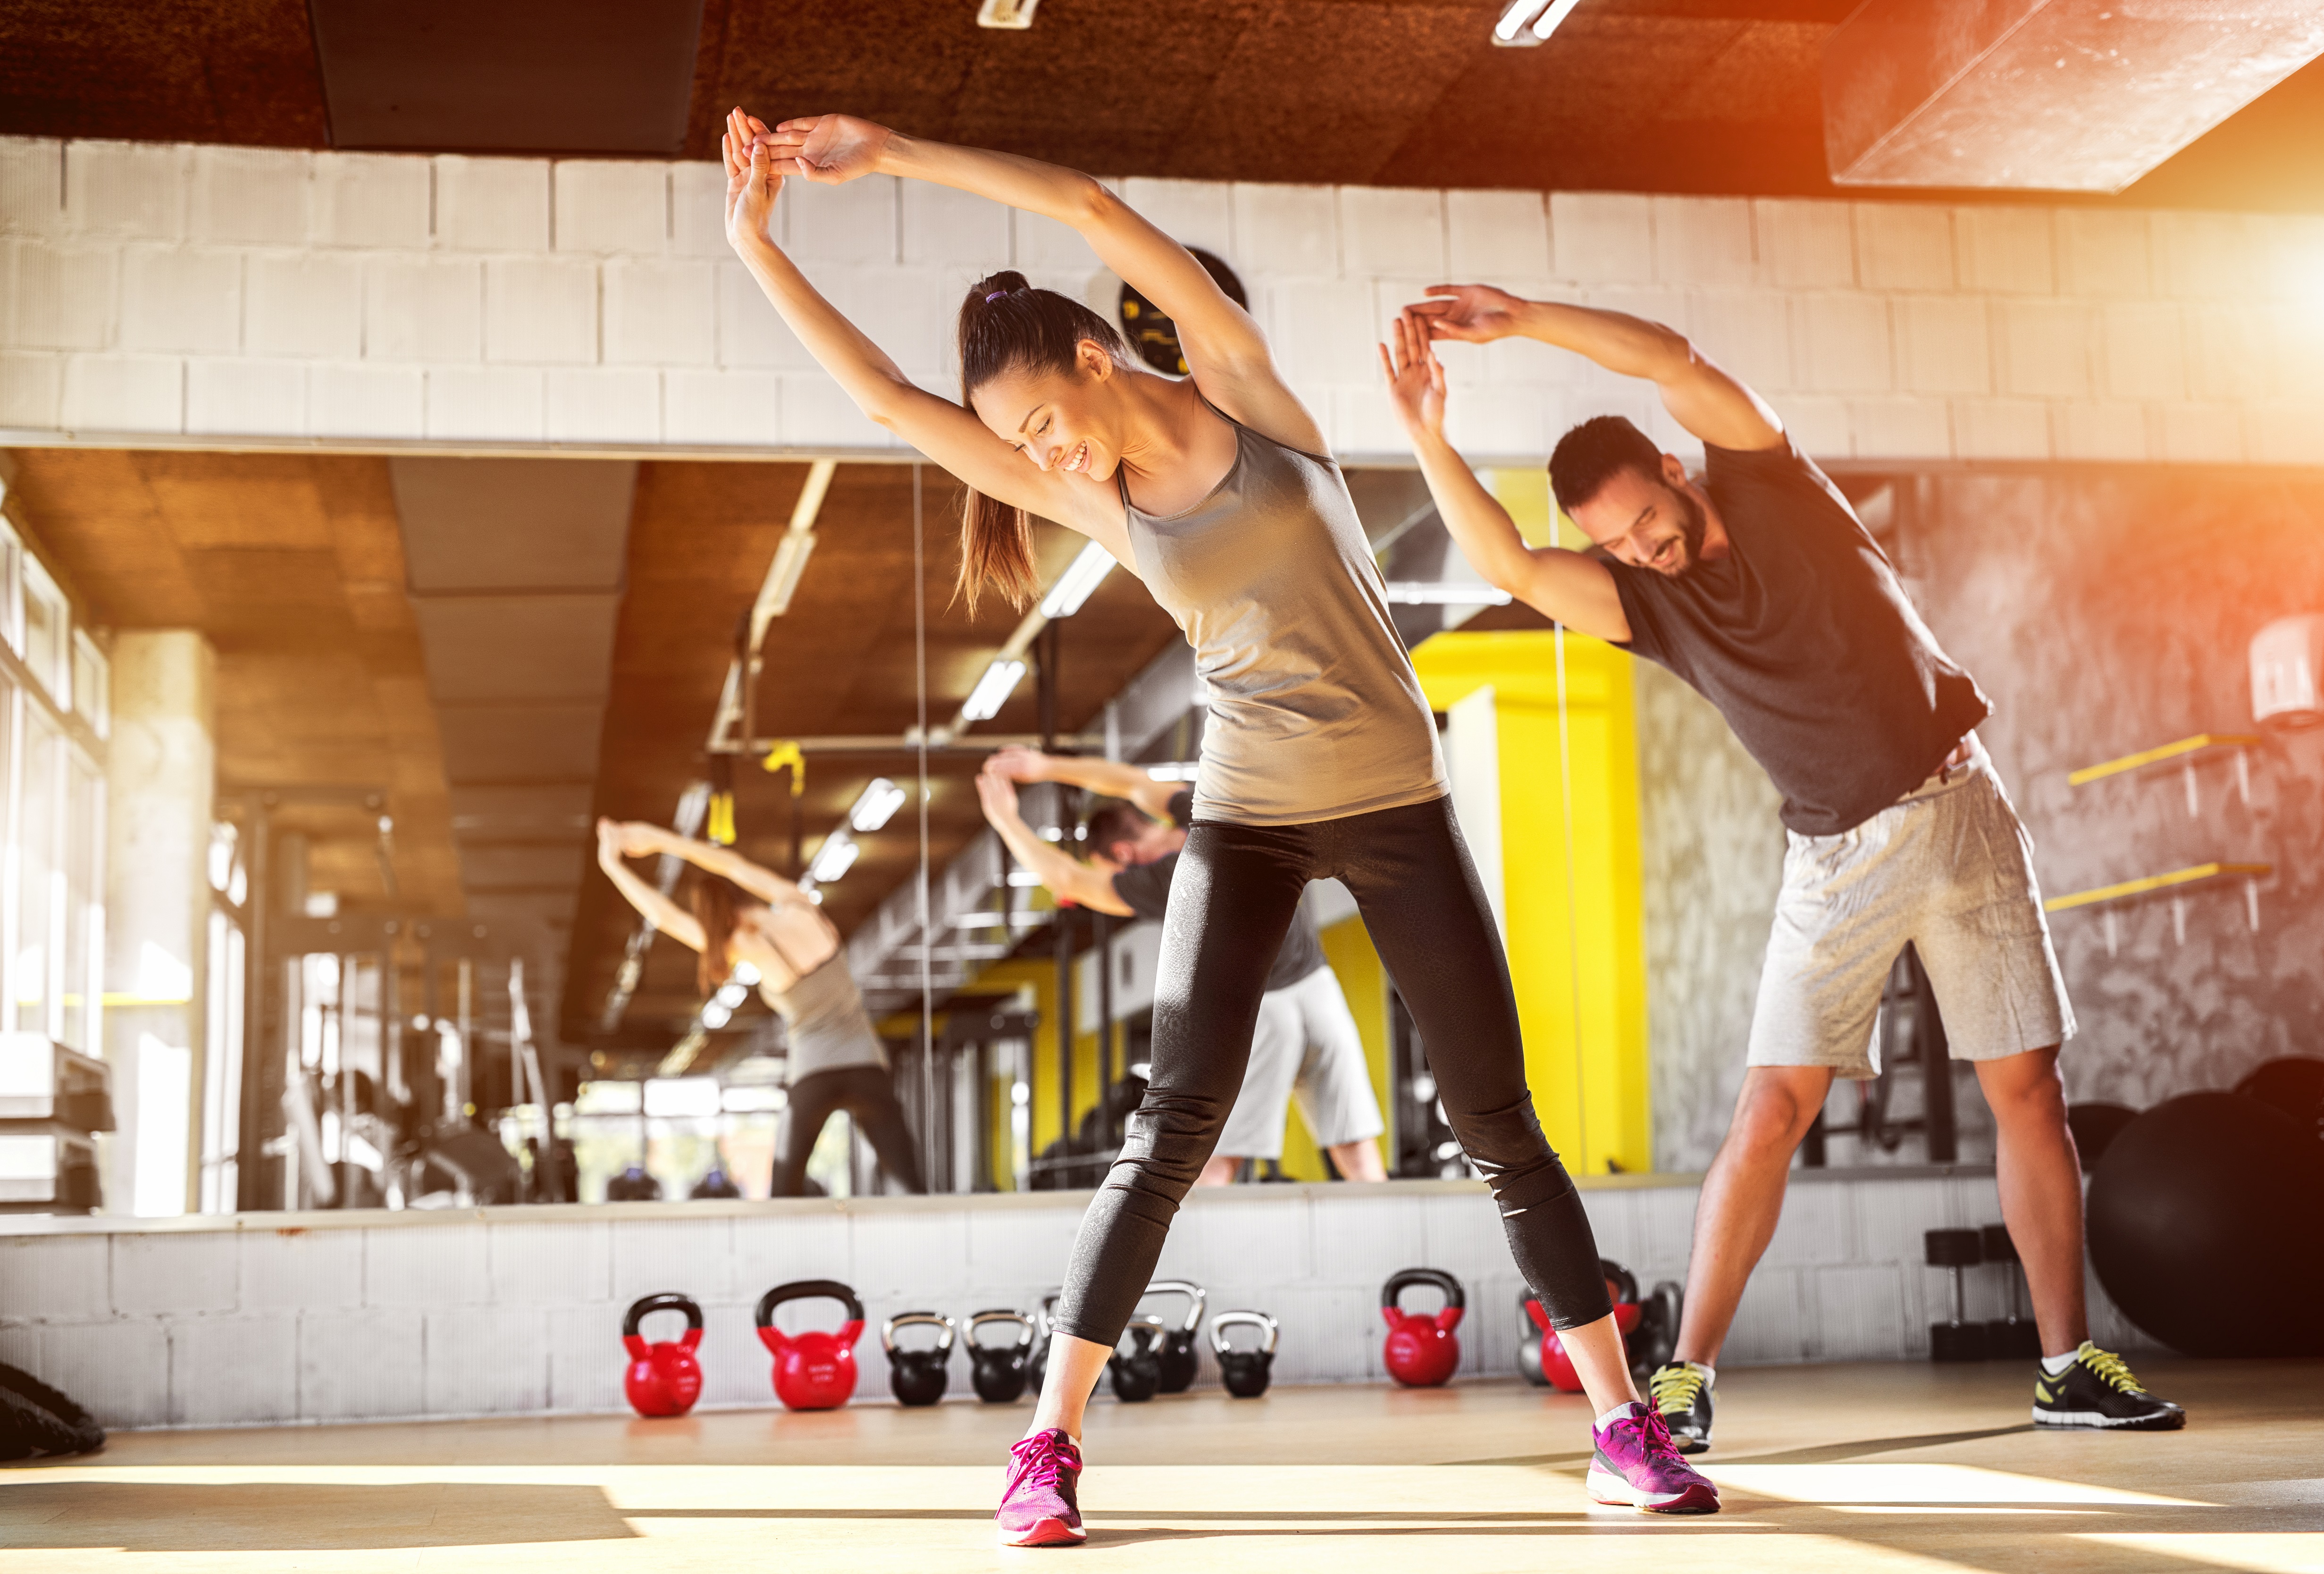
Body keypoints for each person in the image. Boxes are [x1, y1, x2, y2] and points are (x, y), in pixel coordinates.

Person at [721, 108, 1716, 1543]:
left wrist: (891, 158)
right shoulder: (1103, 503)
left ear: (1093, 355)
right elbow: (887, 400)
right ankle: (1047, 1445)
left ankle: (1618, 1421)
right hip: (1245, 812)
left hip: (1394, 803)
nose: (1040, 452)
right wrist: (757, 244)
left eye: (1044, 416)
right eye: (1020, 444)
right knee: (1170, 1122)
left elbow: (1090, 206)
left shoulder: (1243, 393)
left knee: (1497, 1118)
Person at [1380, 285, 2186, 1449]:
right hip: (1836, 858)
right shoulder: (1647, 608)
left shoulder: (1769, 482)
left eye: (1646, 517)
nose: (1641, 547)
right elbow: (1507, 562)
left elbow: (1671, 354)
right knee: (1770, 1108)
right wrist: (1423, 428)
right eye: (1615, 543)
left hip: (1962, 809)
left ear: (1673, 465)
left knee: (2027, 1092)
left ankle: (2065, 1363)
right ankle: (1684, 1378)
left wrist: (1520, 320)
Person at [974, 746, 1389, 1186]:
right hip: (1320, 991)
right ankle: (1398, 1251)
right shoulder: (1207, 815)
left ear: (1123, 853)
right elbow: (1133, 783)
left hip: (1263, 1012)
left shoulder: (1171, 876)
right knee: (1357, 1152)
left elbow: (1068, 881)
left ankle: (1208, 1255)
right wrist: (1046, 767)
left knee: (1218, 1160)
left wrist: (1005, 819)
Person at [595, 818, 925, 1198]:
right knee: (909, 1185)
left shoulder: (743, 947)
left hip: (813, 1077)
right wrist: (661, 840)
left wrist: (613, 865)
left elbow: (665, 917)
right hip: (869, 1067)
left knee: (784, 1192)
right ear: (741, 897)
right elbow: (732, 864)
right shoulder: (798, 906)